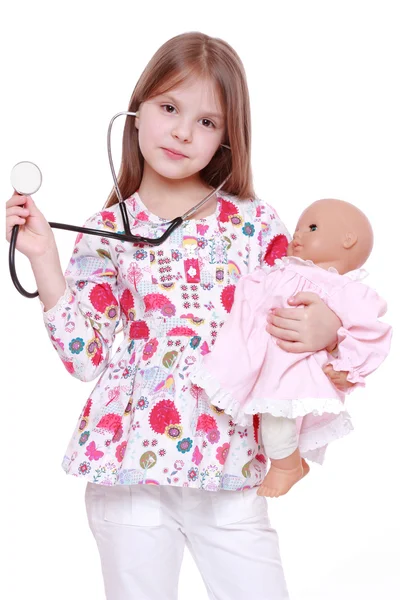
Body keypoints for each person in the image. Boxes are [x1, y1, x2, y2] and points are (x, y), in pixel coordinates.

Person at [6, 32, 347, 600]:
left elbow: (307, 311)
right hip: (128, 469)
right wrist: (43, 257)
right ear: (136, 112)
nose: (185, 131)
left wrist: (328, 330)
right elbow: (84, 358)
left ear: (227, 140)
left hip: (232, 459)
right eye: (169, 108)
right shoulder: (104, 229)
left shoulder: (256, 224)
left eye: (208, 122)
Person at [190, 199, 392, 498]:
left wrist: (349, 366)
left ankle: (286, 467)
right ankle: (293, 459)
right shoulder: (283, 270)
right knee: (260, 422)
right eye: (299, 227)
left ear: (347, 240)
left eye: (312, 228)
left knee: (276, 422)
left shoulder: (343, 289)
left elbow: (369, 331)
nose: (298, 234)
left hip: (292, 366)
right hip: (263, 358)